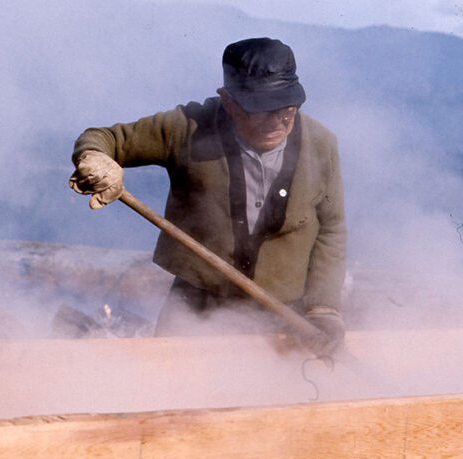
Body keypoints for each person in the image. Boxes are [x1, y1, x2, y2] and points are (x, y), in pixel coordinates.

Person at [68, 37, 347, 354]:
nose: (276, 122)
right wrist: (95, 159)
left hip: (285, 316)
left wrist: (324, 309)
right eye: (260, 110)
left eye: (286, 109)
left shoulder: (321, 145)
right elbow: (105, 138)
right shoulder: (187, 128)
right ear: (228, 102)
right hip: (195, 307)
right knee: (173, 391)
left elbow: (331, 230)